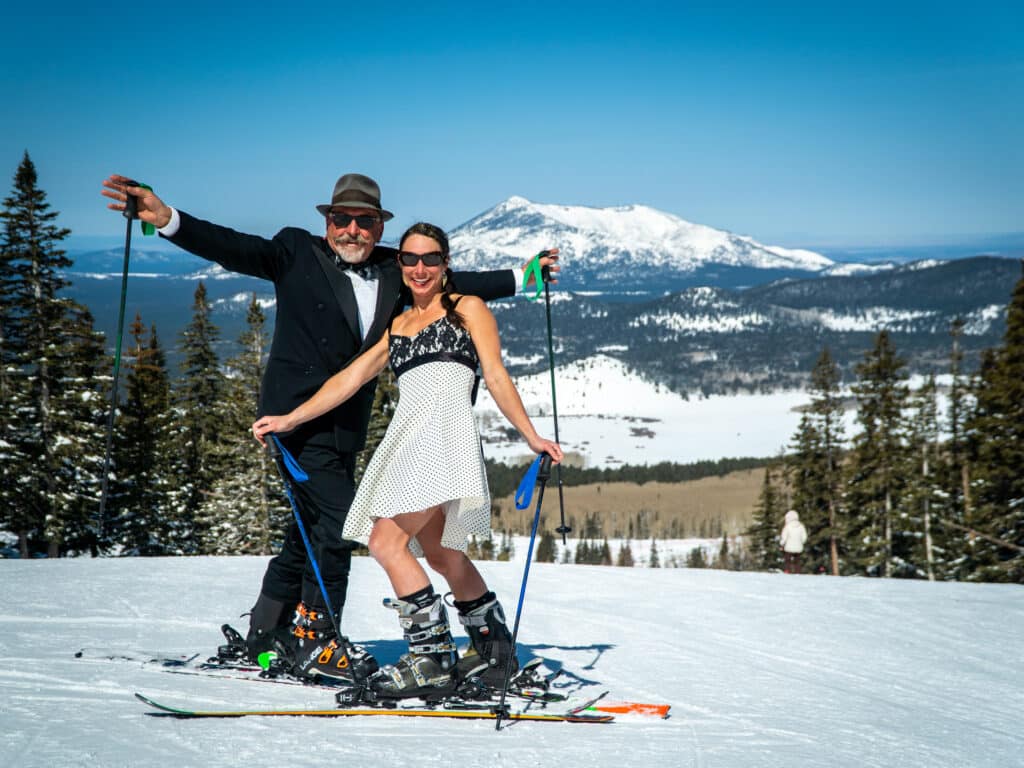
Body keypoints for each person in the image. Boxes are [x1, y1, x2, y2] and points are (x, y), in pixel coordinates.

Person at [101, 173, 560, 683]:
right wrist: (167, 219)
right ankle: (320, 642)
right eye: (342, 219)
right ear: (327, 222)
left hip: (348, 427)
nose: (352, 230)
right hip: (295, 419)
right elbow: (235, 248)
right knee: (343, 522)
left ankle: (267, 632)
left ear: (379, 227)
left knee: (309, 530)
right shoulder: (295, 251)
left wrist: (524, 278)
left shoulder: (397, 268)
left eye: (365, 222)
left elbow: (456, 286)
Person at [253, 222, 563, 699]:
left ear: (446, 263)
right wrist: (290, 419)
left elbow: (497, 376)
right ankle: (493, 648)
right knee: (440, 553)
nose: (420, 269)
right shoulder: (397, 325)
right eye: (411, 260)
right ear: (401, 266)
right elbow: (349, 379)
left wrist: (532, 437)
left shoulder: (468, 309)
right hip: (407, 440)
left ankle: (431, 659)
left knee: (386, 542)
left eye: (431, 259)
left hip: (444, 438)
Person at [779, 509, 808, 574]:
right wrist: (801, 543)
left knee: (787, 560)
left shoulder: (787, 526)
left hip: (788, 547)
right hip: (799, 547)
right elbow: (804, 537)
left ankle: (788, 571)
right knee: (797, 560)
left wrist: (781, 544)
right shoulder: (801, 526)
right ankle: (797, 572)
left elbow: (784, 537)